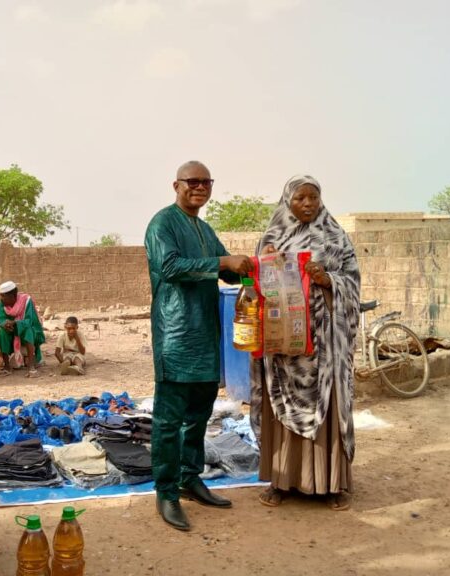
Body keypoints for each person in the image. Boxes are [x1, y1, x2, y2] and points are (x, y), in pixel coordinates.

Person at [144, 160, 253, 531]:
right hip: (176, 336)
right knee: (169, 420)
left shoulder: (205, 229)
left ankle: (190, 478)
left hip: (206, 336)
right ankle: (166, 491)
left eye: (207, 181)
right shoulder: (163, 223)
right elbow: (171, 266)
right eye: (193, 181)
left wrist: (252, 264)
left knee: (199, 416)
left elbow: (223, 269)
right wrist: (223, 260)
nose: (200, 187)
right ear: (176, 184)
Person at [251, 174, 360, 511]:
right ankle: (281, 481)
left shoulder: (335, 236)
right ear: (288, 202)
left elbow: (353, 282)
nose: (308, 204)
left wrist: (328, 280)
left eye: (313, 197)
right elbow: (253, 284)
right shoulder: (272, 237)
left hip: (325, 342)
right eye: (300, 198)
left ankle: (330, 485)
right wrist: (265, 263)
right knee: (281, 405)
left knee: (326, 407)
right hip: (286, 345)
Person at [0, 280, 45, 378]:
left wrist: (15, 323)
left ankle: (31, 367)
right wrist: (5, 325)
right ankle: (7, 366)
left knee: (28, 330)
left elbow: (29, 321)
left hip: (30, 330)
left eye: (3, 296)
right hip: (12, 331)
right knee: (2, 332)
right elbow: (1, 319)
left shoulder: (26, 301)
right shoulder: (2, 304)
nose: (1, 299)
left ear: (12, 296)